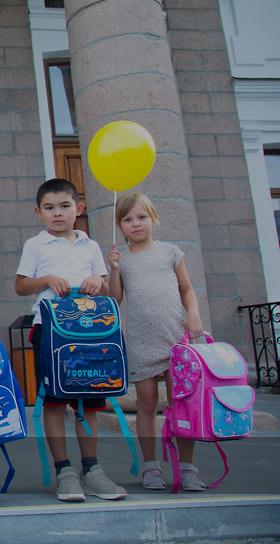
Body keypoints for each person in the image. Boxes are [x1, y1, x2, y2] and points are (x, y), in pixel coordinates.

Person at [15, 177, 127, 502]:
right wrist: (47, 279)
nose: (57, 213)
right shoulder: (35, 245)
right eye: (49, 208)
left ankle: (92, 469)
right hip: (50, 331)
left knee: (90, 399)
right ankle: (64, 471)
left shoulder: (90, 246)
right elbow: (20, 286)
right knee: (54, 399)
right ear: (38, 212)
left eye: (64, 206)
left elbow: (110, 292)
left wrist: (97, 281)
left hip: (91, 330)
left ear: (79, 208)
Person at [107, 192, 207, 491]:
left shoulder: (170, 252)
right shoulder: (123, 259)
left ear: (153, 218)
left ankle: (188, 468)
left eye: (141, 217)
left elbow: (186, 289)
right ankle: (151, 466)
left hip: (175, 338)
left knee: (181, 403)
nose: (136, 224)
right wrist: (114, 270)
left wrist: (194, 314)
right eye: (128, 219)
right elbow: (115, 298)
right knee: (147, 403)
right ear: (120, 226)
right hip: (142, 341)